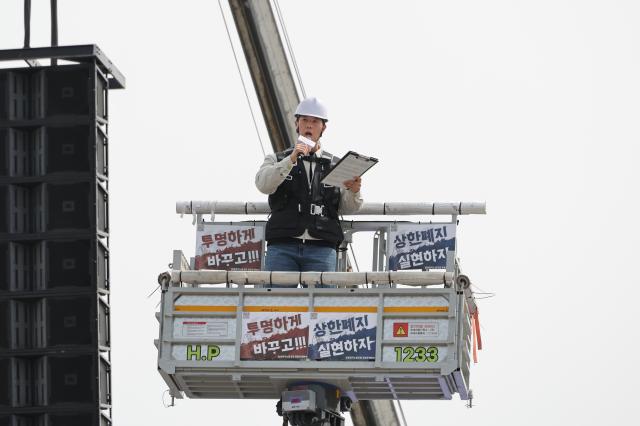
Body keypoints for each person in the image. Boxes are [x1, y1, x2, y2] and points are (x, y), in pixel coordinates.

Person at [255, 97, 363, 286]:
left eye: (315, 121)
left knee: (320, 309)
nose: (309, 125)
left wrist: (354, 191)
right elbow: (263, 185)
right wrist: (291, 159)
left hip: (322, 246)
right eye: (305, 120)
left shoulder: (336, 164)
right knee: (275, 308)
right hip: (283, 244)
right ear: (297, 123)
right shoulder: (277, 158)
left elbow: (348, 207)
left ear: (323, 128)